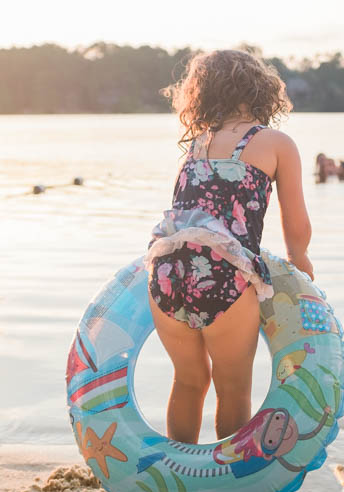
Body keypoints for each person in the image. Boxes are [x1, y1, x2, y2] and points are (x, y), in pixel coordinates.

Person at [146, 49, 313, 445]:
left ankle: (179, 477)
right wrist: (301, 268)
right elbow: (296, 226)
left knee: (189, 381)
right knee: (232, 389)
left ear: (201, 95)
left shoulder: (196, 145)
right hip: (224, 274)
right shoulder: (275, 143)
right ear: (263, 90)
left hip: (166, 270)